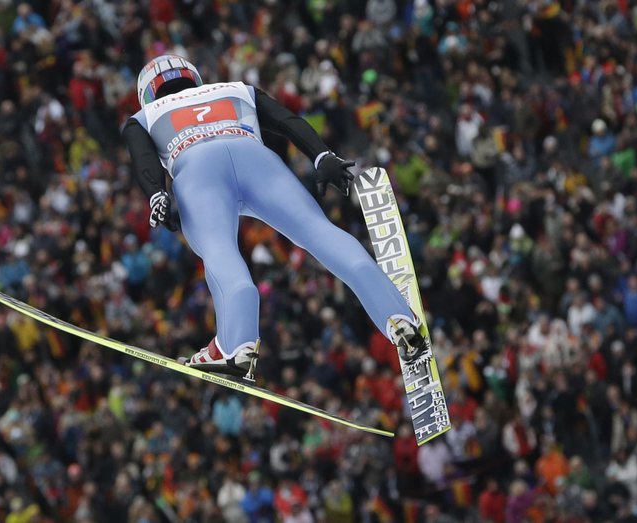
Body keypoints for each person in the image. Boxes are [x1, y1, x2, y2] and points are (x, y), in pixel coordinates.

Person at [121, 54, 426, 377]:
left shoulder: (144, 116)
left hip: (198, 171)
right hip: (257, 161)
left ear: (148, 92)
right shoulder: (236, 89)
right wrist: (322, 155)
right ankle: (397, 317)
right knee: (318, 231)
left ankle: (237, 343)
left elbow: (144, 160)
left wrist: (157, 194)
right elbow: (287, 121)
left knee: (219, 250)